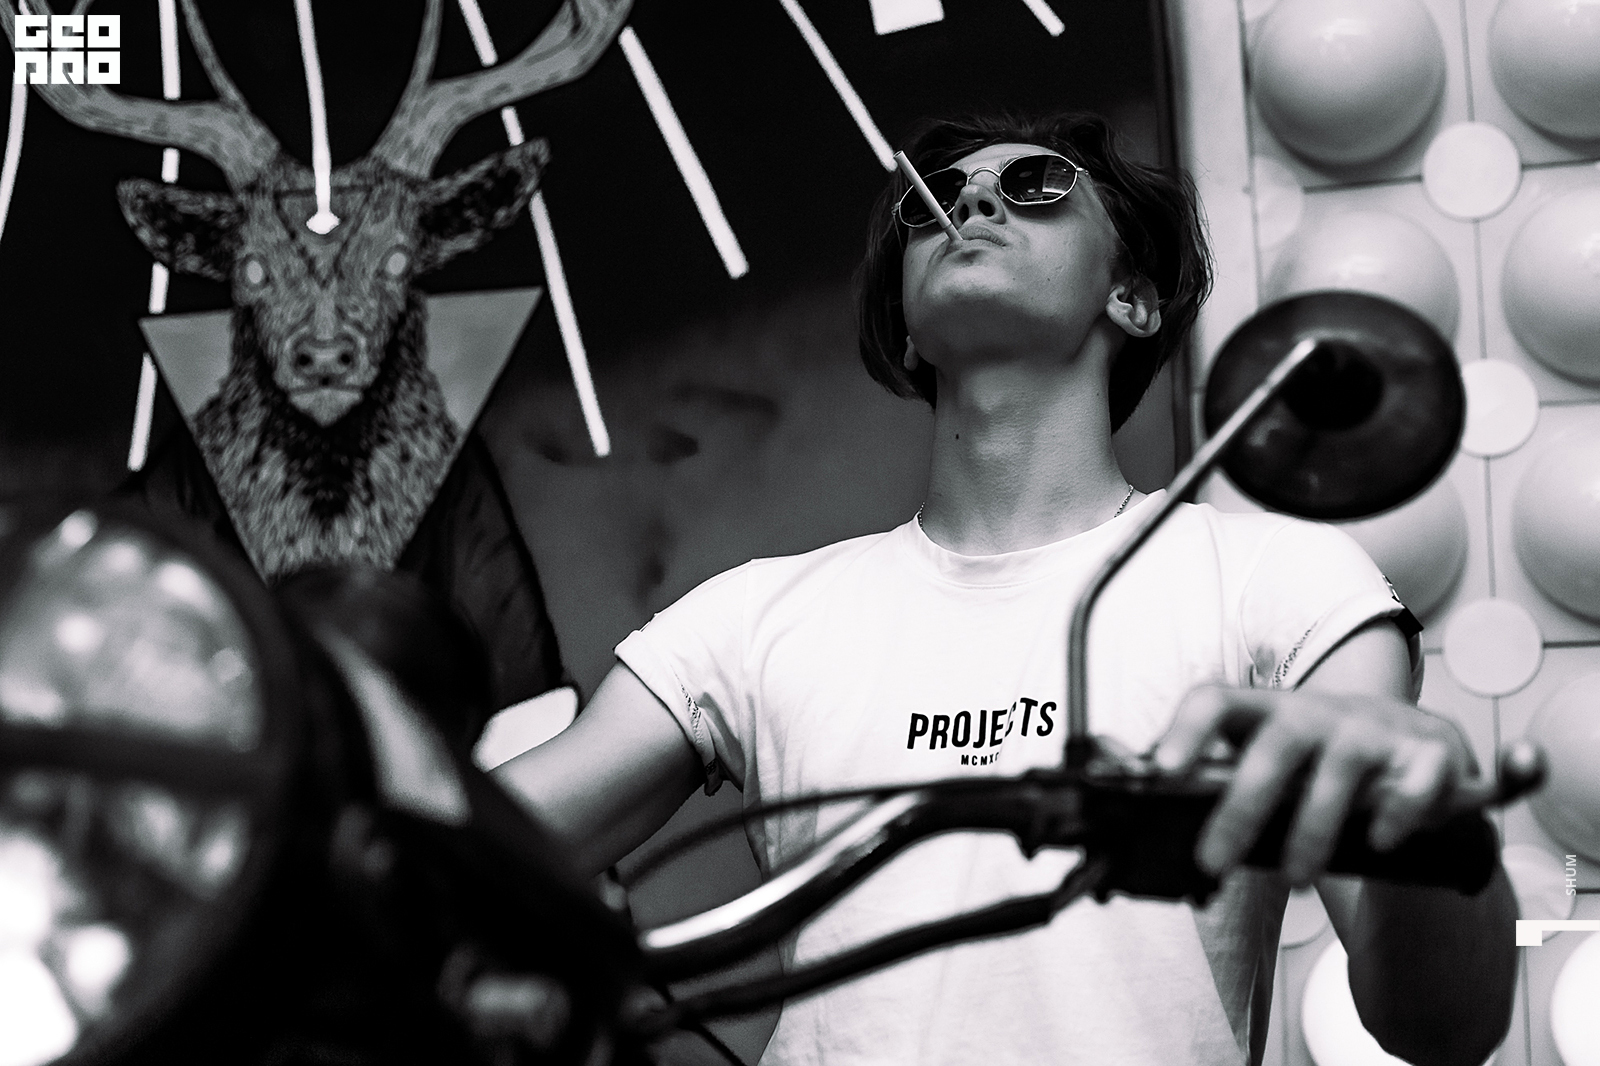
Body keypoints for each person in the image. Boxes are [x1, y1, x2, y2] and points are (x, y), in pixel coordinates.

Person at [496, 112, 1517, 1066]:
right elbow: (452, 852)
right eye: (933, 199)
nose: (973, 201)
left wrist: (1433, 831)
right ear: (906, 329)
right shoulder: (750, 616)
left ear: (1132, 298)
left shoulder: (1279, 578)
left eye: (1036, 185)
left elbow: (1446, 1023)